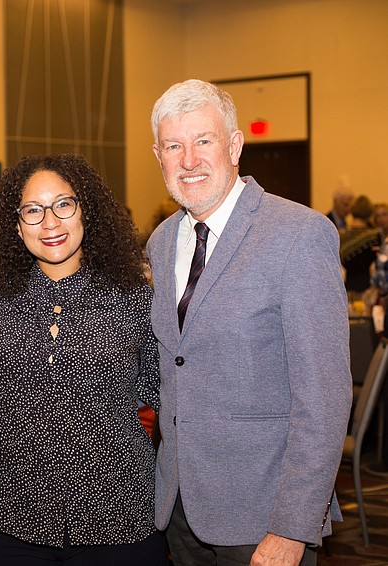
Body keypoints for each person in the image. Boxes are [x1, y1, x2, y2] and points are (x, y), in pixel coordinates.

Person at [146, 79, 351, 566]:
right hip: (179, 509)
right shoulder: (160, 240)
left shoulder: (300, 235)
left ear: (235, 145)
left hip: (263, 515)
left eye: (203, 141)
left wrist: (291, 528)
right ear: (158, 155)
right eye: (174, 146)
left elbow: (324, 400)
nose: (188, 159)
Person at [0, 154, 167, 565]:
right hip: (8, 520)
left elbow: (165, 398)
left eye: (63, 204)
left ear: (86, 210)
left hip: (119, 519)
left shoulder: (136, 299)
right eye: (32, 210)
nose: (50, 223)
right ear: (16, 223)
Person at [339, 195, 381, 299]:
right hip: (367, 286)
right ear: (369, 213)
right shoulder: (374, 235)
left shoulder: (342, 234)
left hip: (347, 285)